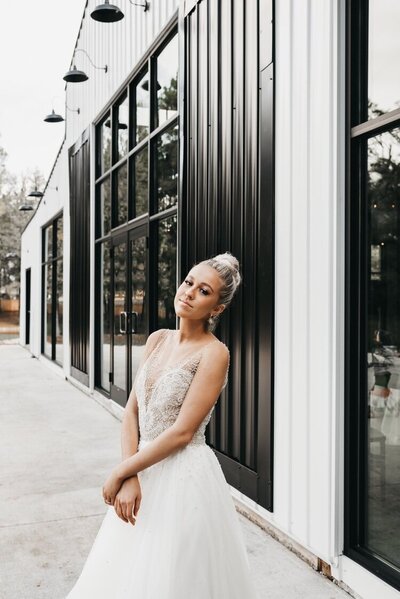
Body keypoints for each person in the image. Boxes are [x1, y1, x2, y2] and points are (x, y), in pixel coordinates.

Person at [66, 252, 259, 598]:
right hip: (142, 466)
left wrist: (119, 472)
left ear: (217, 309)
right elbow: (131, 414)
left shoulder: (215, 353)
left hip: (185, 477)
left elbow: (183, 433)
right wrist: (129, 475)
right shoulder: (157, 339)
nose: (188, 292)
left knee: (173, 577)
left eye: (204, 291)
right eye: (188, 282)